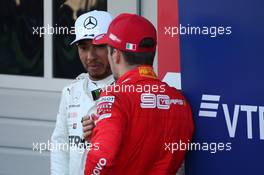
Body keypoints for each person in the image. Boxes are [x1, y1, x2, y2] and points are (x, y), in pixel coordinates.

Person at [84, 13, 194, 175]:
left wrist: (99, 144)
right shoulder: (180, 102)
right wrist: (99, 136)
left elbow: (102, 158)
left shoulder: (116, 96)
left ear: (116, 55)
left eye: (108, 50)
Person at [50, 10, 114, 175]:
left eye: (99, 46)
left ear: (114, 47)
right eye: (83, 47)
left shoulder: (128, 89)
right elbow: (60, 145)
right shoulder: (71, 91)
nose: (90, 56)